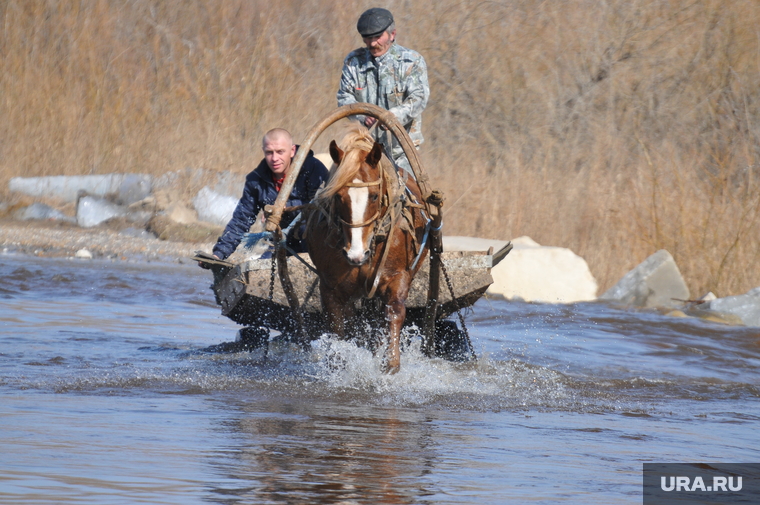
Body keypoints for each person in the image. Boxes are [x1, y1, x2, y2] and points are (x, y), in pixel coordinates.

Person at [207, 128, 329, 262]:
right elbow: (241, 220)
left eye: (280, 152)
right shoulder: (256, 181)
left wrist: (285, 207)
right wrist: (218, 254)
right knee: (260, 273)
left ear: (292, 151)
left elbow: (323, 208)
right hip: (280, 242)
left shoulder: (313, 169)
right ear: (263, 151)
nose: (275, 158)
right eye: (269, 153)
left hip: (316, 240)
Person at [337, 7, 429, 175]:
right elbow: (344, 96)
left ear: (392, 35)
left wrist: (390, 117)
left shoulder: (412, 61)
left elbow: (419, 98)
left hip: (403, 152)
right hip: (363, 151)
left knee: (413, 197)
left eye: (377, 37)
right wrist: (364, 115)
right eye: (367, 38)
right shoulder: (353, 61)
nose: (372, 43)